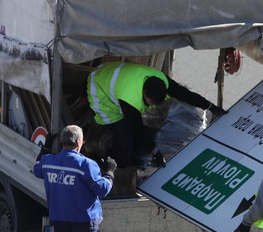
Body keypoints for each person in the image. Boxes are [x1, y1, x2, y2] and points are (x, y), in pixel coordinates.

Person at [87, 61, 227, 169]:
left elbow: (186, 95)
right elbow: (137, 128)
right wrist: (155, 153)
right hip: (99, 87)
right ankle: (119, 171)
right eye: (151, 102)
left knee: (143, 131)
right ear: (144, 93)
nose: (153, 106)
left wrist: (212, 108)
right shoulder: (129, 98)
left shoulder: (162, 81)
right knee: (124, 135)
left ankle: (132, 156)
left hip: (114, 73)